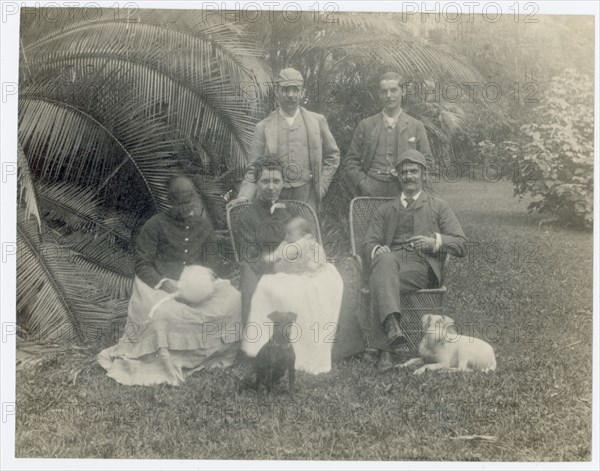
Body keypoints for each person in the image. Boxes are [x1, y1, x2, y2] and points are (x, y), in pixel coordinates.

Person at [97, 176, 242, 386]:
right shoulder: (154, 225)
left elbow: (212, 263)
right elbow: (142, 264)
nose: (185, 208)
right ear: (170, 201)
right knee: (163, 315)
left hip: (197, 285)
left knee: (233, 299)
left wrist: (203, 284)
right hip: (161, 284)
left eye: (189, 202)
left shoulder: (204, 226)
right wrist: (166, 285)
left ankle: (213, 353)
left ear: (195, 199)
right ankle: (166, 357)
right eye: (179, 203)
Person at [363, 150, 467, 370]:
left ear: (423, 174)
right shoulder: (385, 210)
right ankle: (391, 334)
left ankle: (379, 347)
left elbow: (461, 244)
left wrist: (434, 242)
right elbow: (368, 243)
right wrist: (376, 250)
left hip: (420, 267)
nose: (409, 176)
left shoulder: (438, 206)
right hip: (390, 264)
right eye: (404, 172)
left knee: (379, 279)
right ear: (398, 177)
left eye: (414, 171)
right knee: (384, 262)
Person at [242, 216, 343, 376]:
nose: (287, 237)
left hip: (311, 276)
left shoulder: (311, 245)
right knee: (269, 288)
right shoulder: (287, 245)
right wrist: (273, 258)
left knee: (308, 296)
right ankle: (260, 345)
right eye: (286, 234)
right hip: (291, 275)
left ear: (304, 234)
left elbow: (320, 260)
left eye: (291, 234)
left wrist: (313, 265)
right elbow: (277, 256)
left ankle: (303, 351)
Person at [229, 67, 340, 212]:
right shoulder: (263, 127)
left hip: (307, 196)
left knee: (305, 233)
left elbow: (333, 156)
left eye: (296, 90)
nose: (291, 95)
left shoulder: (317, 121)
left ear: (302, 92)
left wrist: (322, 187)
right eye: (285, 90)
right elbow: (253, 169)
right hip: (273, 196)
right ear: (276, 92)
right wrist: (244, 196)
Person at [344, 72, 433, 197]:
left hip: (404, 192)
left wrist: (409, 178)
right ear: (379, 94)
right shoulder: (366, 125)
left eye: (393, 90)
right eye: (384, 91)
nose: (389, 95)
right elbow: (350, 161)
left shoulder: (416, 125)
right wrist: (362, 183)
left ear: (403, 92)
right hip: (371, 191)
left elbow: (427, 162)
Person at [237, 158, 296, 324]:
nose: (271, 187)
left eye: (276, 181)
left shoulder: (292, 210)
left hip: (294, 269)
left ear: (283, 183)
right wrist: (277, 269)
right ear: (256, 183)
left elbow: (305, 241)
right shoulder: (248, 215)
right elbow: (250, 255)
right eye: (265, 181)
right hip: (264, 272)